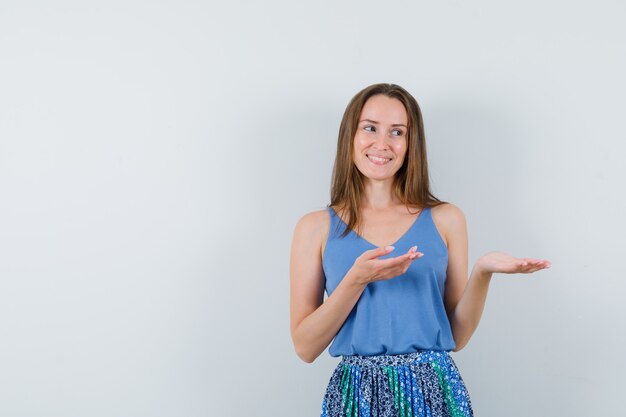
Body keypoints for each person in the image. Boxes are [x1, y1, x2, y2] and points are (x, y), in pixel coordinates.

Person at [289, 83, 551, 417]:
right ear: (350, 137)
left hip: (434, 391)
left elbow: (456, 336)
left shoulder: (446, 219)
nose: (382, 144)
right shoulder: (315, 228)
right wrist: (357, 280)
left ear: (411, 144)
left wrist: (482, 271)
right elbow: (305, 347)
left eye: (397, 132)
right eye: (370, 128)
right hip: (357, 397)